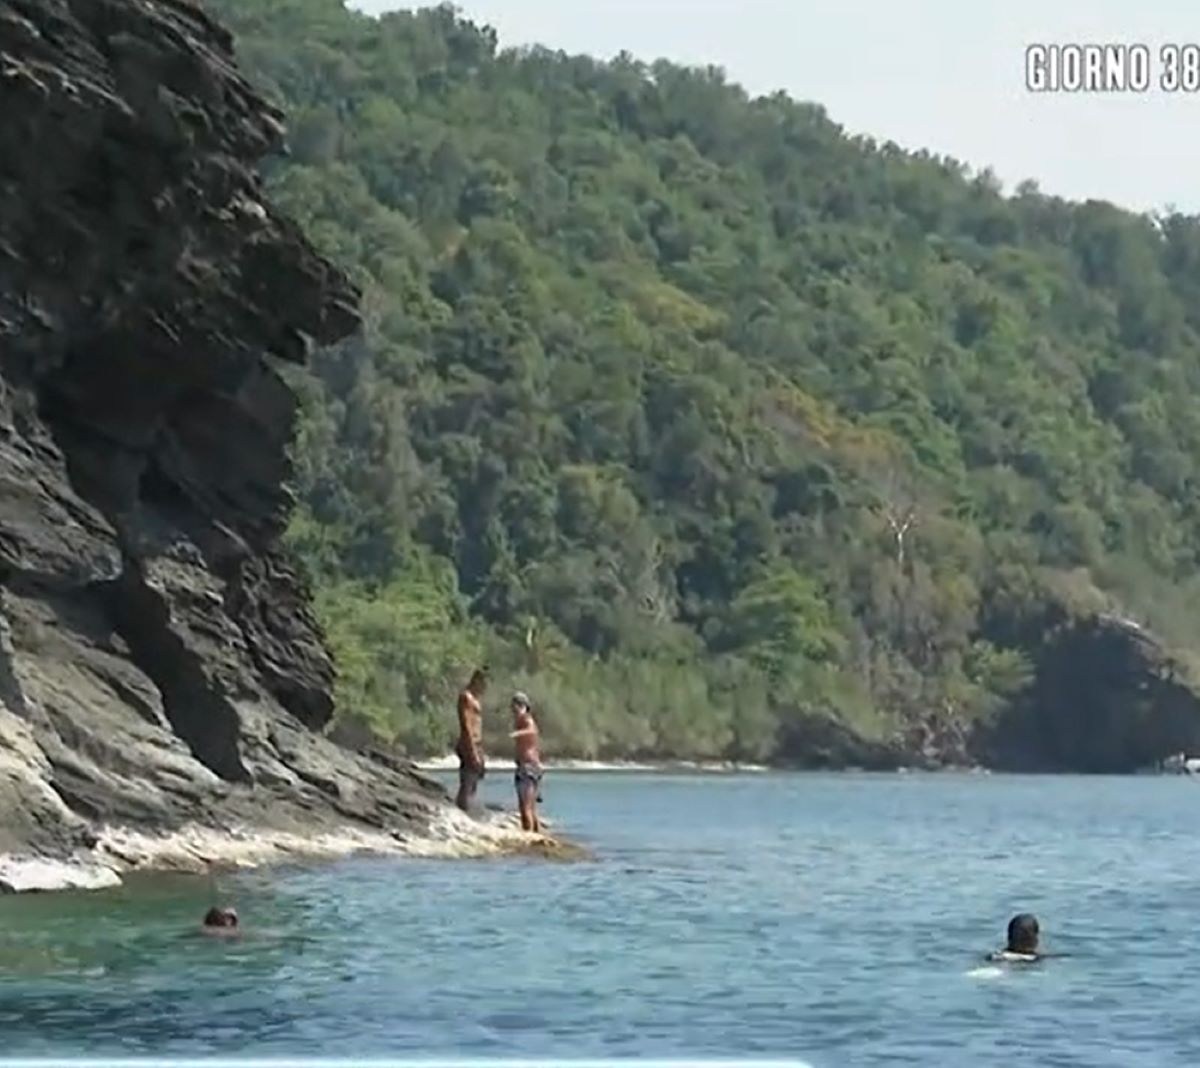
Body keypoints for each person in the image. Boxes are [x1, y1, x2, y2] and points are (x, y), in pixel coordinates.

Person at [455, 666, 488, 813]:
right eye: (484, 683)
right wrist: (472, 749)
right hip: (469, 742)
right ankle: (463, 808)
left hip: (476, 742)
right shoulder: (466, 697)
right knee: (467, 780)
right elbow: (466, 725)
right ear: (477, 680)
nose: (485, 687)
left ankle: (467, 807)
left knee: (475, 778)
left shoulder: (475, 698)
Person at [509, 691, 543, 833]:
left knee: (526, 808)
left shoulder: (526, 719)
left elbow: (532, 730)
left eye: (516, 706)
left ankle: (528, 836)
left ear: (523, 706)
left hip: (528, 768)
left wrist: (517, 734)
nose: (513, 710)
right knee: (530, 807)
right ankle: (536, 835)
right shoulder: (520, 721)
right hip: (530, 767)